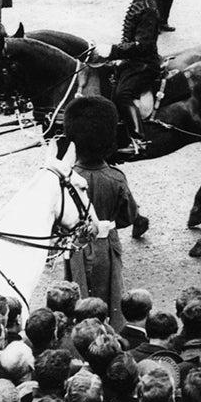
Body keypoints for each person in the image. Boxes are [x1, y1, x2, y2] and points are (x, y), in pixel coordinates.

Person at [61, 95, 144, 305]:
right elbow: (129, 217)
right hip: (106, 244)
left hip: (76, 245)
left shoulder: (66, 177)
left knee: (77, 291)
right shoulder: (116, 178)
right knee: (109, 294)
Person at [105, 0, 165, 136]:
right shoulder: (140, 1)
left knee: (122, 95)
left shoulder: (147, 8)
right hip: (134, 61)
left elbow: (142, 46)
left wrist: (113, 51)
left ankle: (138, 137)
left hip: (144, 64)